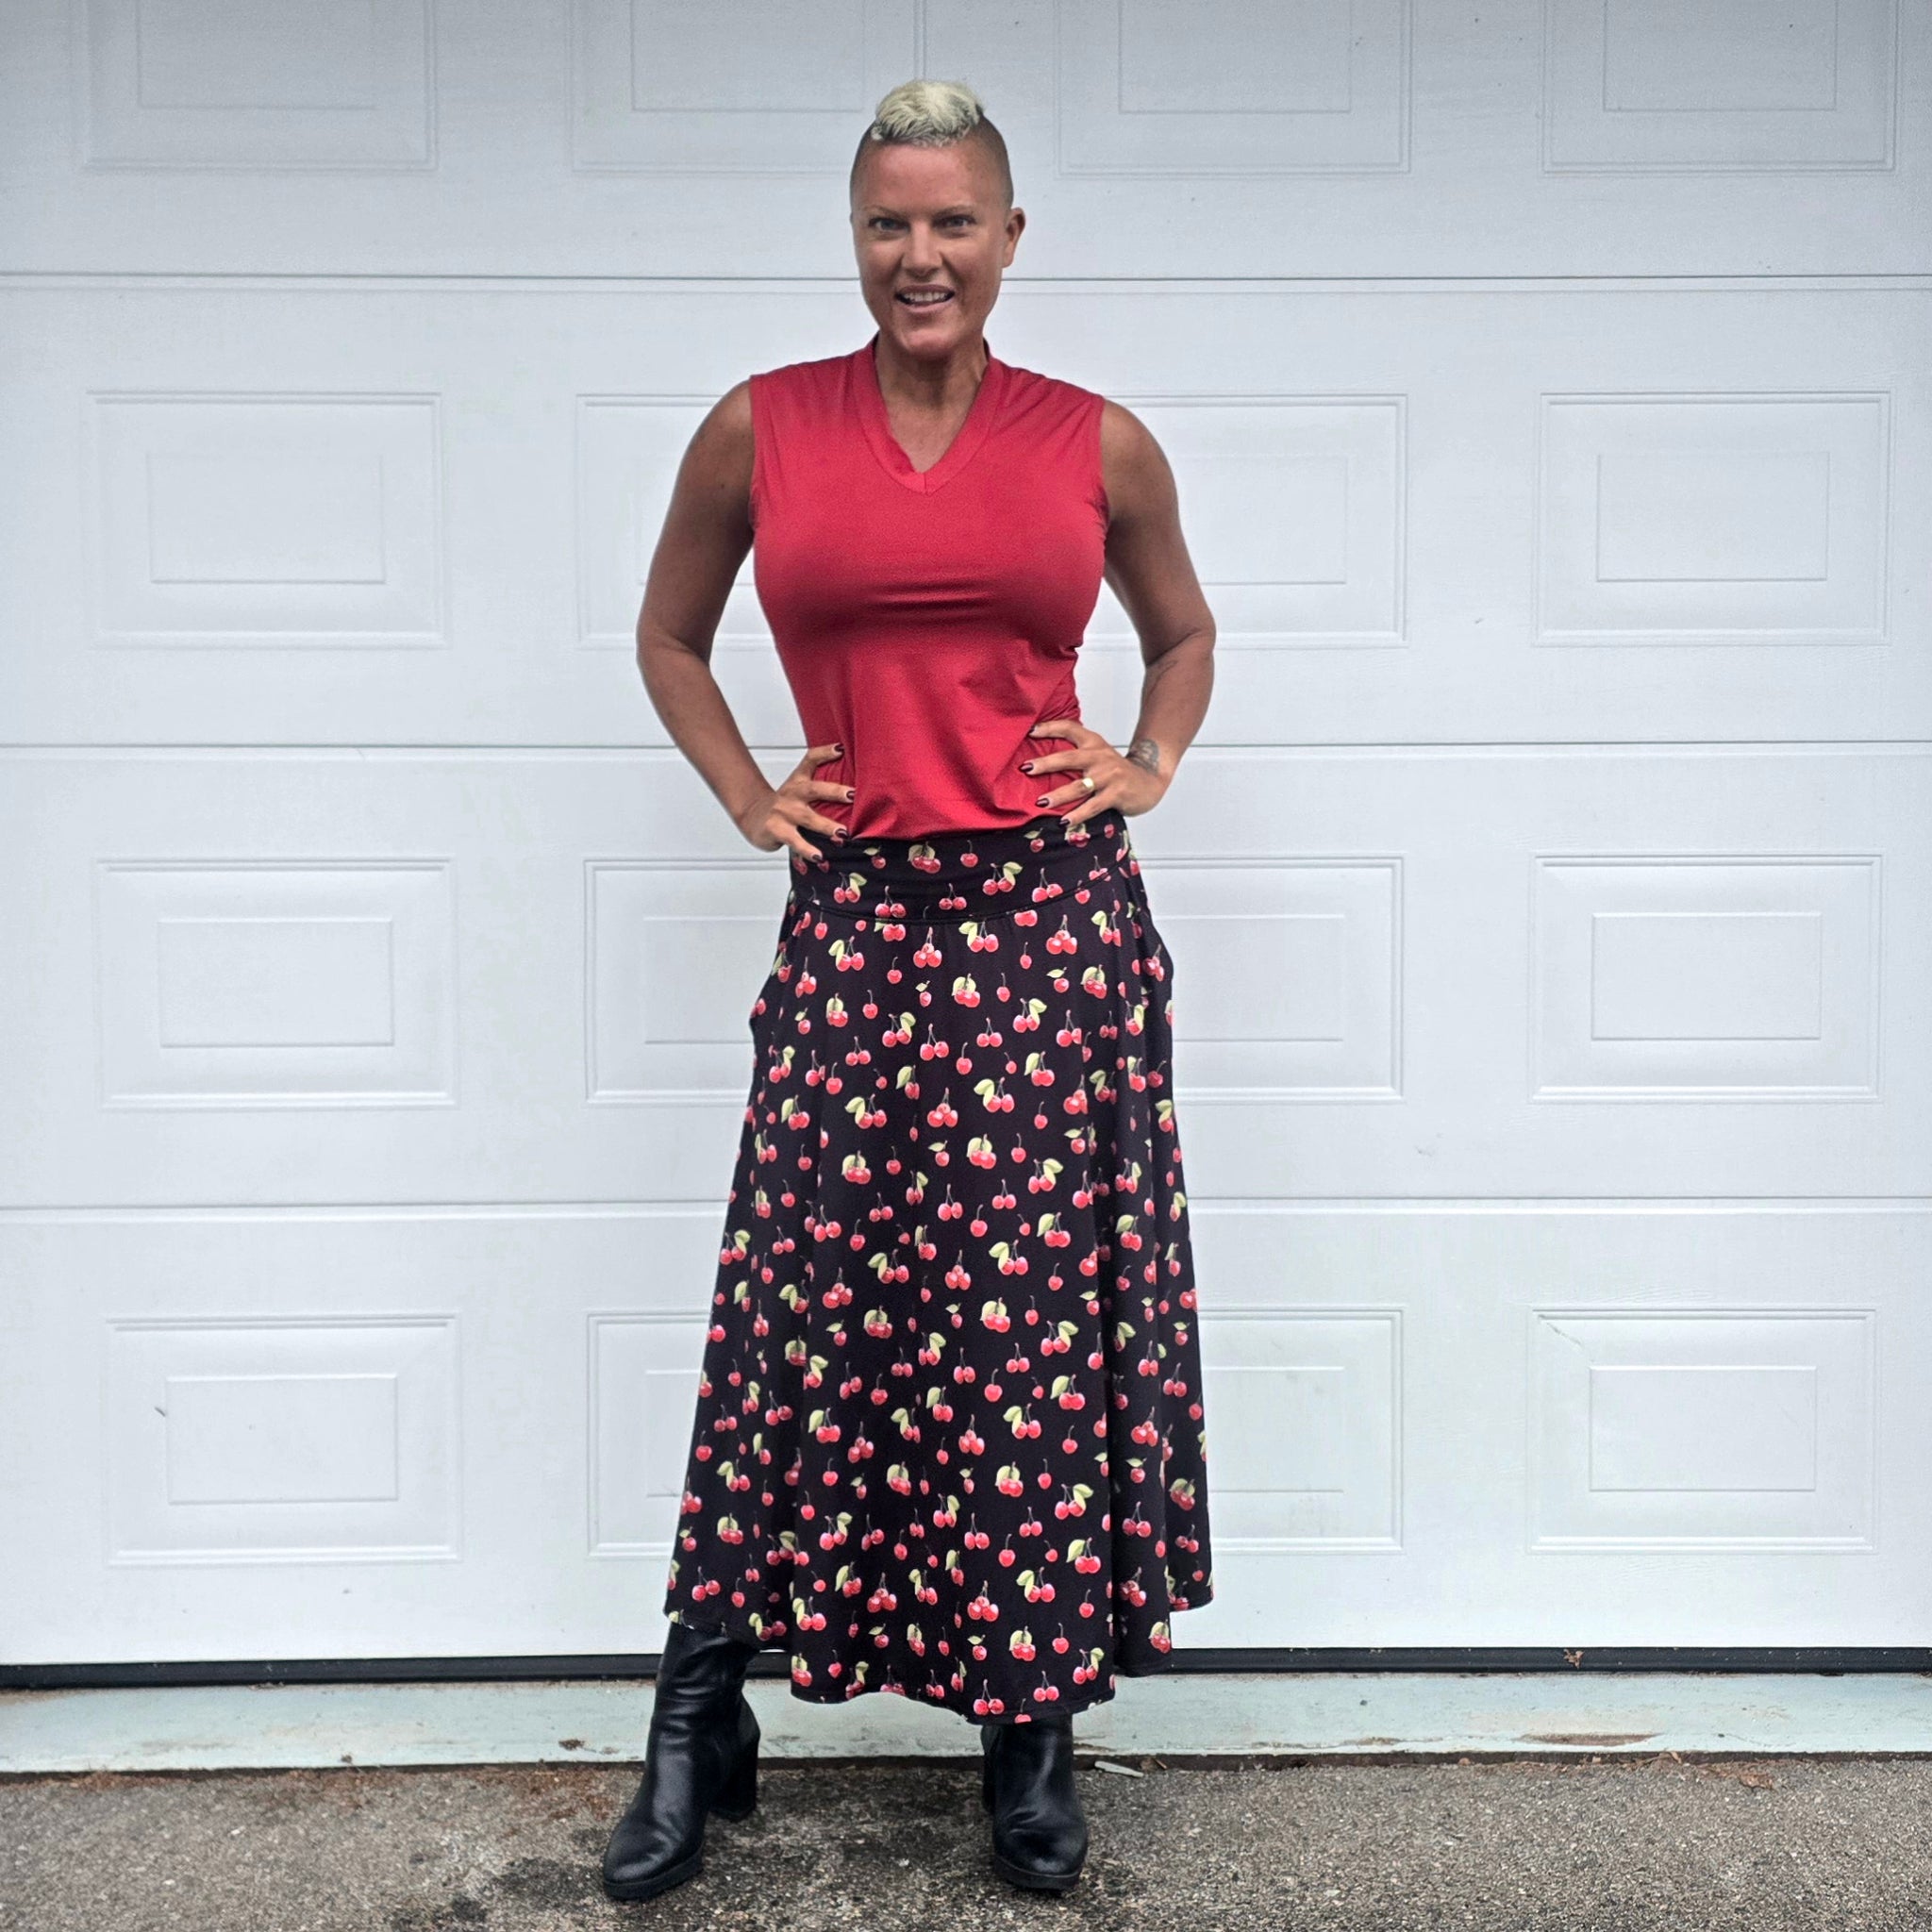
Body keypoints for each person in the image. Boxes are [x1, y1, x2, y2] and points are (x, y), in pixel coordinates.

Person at [601, 76, 1218, 1903]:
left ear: (1010, 237)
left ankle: (1028, 1733)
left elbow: (1183, 630)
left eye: (954, 221)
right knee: (796, 1311)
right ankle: (697, 1713)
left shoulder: (1094, 442)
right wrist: (748, 792)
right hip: (860, 929)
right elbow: (669, 633)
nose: (920, 254)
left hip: (1047, 929)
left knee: (1019, 1328)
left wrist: (1148, 760)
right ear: (853, 237)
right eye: (889, 223)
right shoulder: (762, 427)